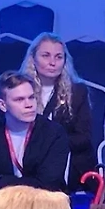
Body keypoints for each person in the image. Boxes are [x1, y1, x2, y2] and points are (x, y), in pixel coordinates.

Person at [0, 71, 69, 209]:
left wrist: (2, 180)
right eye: (19, 100)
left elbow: (48, 185)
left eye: (31, 97)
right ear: (2, 105)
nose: (29, 105)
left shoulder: (53, 133)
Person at [21, 32, 96, 190]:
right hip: (25, 160)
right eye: (46, 56)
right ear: (33, 58)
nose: (52, 62)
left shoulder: (78, 92)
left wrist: (50, 144)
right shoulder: (18, 90)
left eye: (58, 57)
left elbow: (84, 138)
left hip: (67, 162)